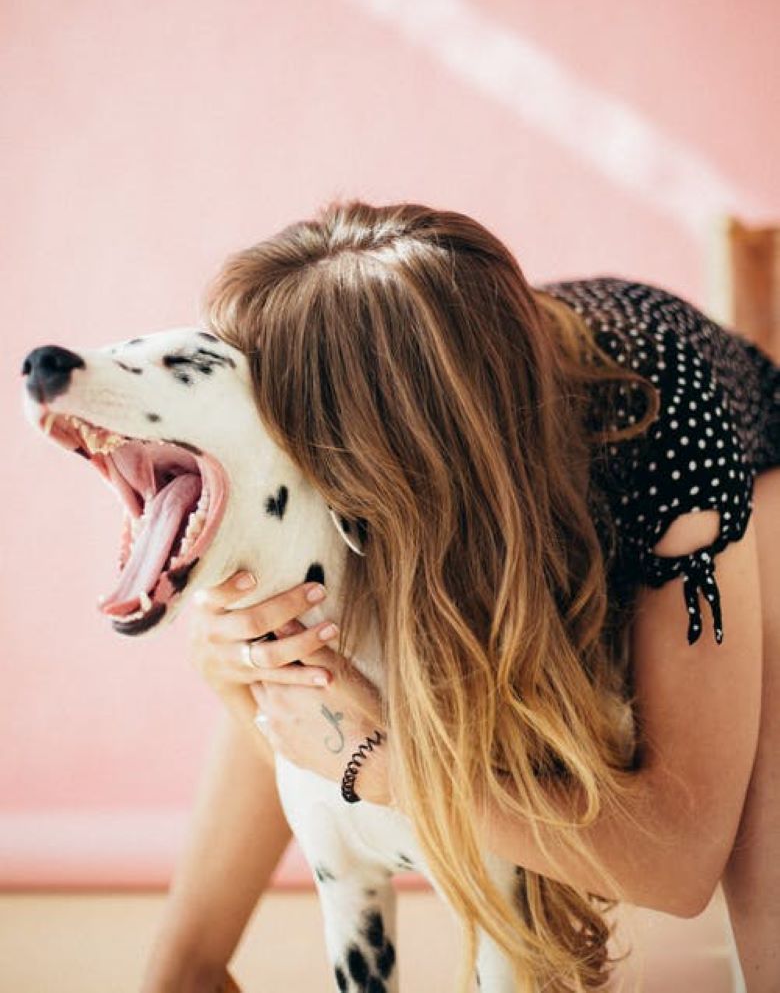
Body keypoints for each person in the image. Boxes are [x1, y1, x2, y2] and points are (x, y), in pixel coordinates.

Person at [141, 201, 780, 993]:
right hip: (491, 453)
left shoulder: (674, 440)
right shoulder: (413, 409)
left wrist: (378, 764)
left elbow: (681, 865)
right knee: (295, 640)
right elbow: (298, 706)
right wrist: (232, 660)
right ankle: (180, 975)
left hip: (720, 462)